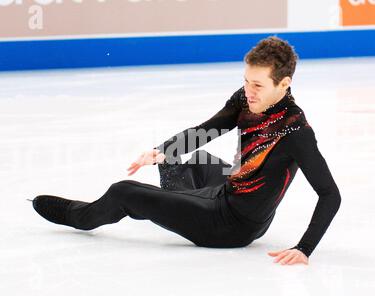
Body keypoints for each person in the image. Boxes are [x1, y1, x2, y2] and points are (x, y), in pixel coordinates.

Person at [31, 36, 341, 266]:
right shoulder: (247, 100)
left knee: (123, 191)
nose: (249, 91)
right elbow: (212, 127)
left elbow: (330, 194)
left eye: (257, 85)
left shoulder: (296, 133)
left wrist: (305, 248)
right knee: (179, 159)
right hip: (230, 192)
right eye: (246, 81)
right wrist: (161, 150)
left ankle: (80, 216)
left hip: (230, 227)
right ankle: (171, 202)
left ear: (283, 84)